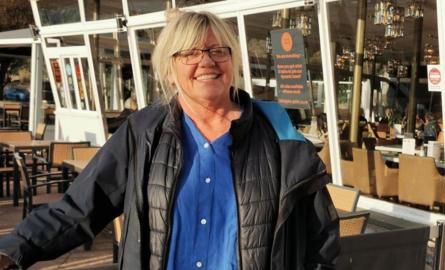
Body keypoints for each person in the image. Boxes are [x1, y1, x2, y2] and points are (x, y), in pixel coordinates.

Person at [0, 10, 339, 270]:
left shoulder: (278, 136)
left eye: (217, 50)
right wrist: (11, 251)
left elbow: (321, 238)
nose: (206, 61)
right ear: (169, 68)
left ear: (232, 60)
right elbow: (78, 209)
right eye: (189, 53)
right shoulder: (144, 132)